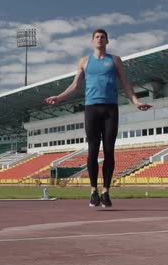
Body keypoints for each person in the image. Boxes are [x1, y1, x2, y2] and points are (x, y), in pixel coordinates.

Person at [45, 29, 152, 207]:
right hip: (92, 108)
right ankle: (93, 190)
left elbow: (125, 83)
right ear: (92, 41)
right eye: (97, 37)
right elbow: (75, 86)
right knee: (93, 150)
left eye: (103, 37)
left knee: (109, 150)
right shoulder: (85, 62)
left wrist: (135, 101)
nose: (100, 39)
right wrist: (59, 97)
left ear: (107, 41)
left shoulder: (115, 60)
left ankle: (106, 192)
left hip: (110, 108)